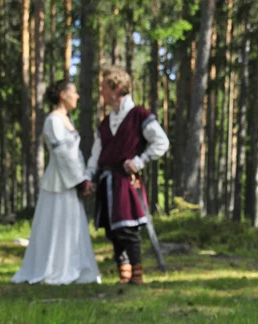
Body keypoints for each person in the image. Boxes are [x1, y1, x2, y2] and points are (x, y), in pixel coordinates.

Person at [85, 67, 169, 284]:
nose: (101, 92)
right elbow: (96, 154)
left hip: (125, 181)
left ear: (117, 88)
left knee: (127, 228)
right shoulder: (105, 123)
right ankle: (125, 274)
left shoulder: (139, 115)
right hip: (107, 180)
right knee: (113, 231)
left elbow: (161, 142)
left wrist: (139, 161)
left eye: (104, 87)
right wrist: (89, 176)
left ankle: (137, 275)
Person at [12, 80, 101, 285]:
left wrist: (83, 178)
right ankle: (53, 269)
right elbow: (62, 155)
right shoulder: (53, 121)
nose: (77, 96)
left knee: (71, 226)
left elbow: (74, 154)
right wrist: (79, 181)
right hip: (59, 183)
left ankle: (74, 267)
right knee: (56, 226)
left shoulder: (66, 120)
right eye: (74, 92)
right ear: (63, 94)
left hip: (71, 181)